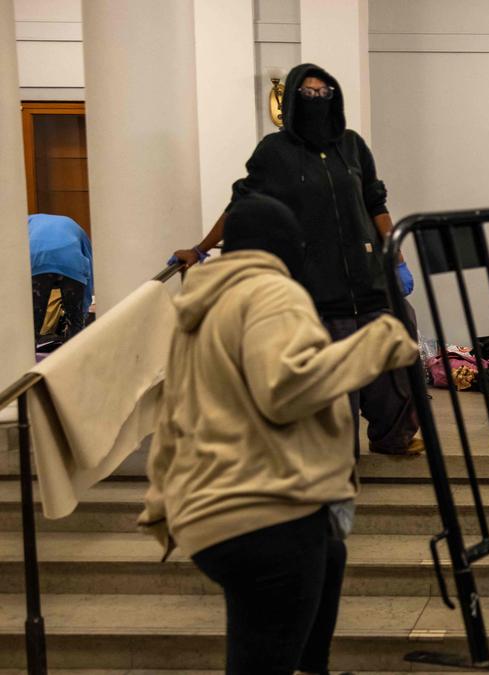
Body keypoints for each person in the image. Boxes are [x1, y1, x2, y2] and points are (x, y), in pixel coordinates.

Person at [139, 193, 419, 675]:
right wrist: (378, 343)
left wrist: (163, 501)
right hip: (264, 516)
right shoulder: (271, 293)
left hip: (211, 516)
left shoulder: (201, 310)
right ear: (287, 247)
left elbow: (172, 416)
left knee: (329, 555)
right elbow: (286, 386)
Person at [170, 62, 422, 457]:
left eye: (325, 93)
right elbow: (242, 203)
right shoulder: (274, 152)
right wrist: (201, 248)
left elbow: (375, 202)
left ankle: (394, 437)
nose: (317, 100)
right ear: (291, 99)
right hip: (317, 288)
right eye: (307, 93)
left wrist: (397, 256)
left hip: (369, 279)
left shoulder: (353, 145)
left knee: (390, 364)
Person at [28, 213, 93, 342]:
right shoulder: (74, 225)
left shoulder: (26, 224)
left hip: (38, 261)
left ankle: (27, 357)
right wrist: (83, 310)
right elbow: (90, 272)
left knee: (33, 323)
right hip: (72, 262)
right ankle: (76, 356)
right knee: (75, 325)